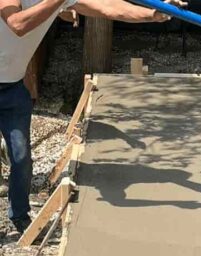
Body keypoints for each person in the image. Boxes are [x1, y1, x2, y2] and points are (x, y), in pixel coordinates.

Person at [0, 0, 186, 234]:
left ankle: (19, 216)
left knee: (21, 157)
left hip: (13, 89)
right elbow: (18, 24)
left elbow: (107, 6)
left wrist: (152, 13)